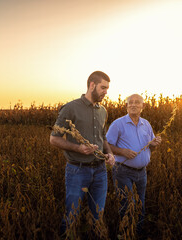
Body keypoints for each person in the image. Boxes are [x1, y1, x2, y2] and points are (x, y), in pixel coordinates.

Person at [50, 71, 115, 236]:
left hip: (100, 171)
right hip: (77, 171)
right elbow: (54, 139)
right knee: (72, 215)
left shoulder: (103, 111)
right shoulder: (70, 108)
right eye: (103, 88)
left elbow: (103, 138)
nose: (106, 92)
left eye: (107, 88)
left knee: (97, 216)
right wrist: (78, 149)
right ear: (92, 85)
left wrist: (109, 154)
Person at [106, 94, 161, 235]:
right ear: (126, 106)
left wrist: (154, 144)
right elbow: (105, 145)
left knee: (140, 205)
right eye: (130, 103)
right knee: (128, 205)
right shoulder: (118, 124)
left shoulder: (146, 124)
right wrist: (122, 151)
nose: (133, 105)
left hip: (142, 172)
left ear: (142, 107)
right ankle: (126, 234)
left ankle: (138, 233)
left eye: (137, 103)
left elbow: (151, 147)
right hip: (122, 171)